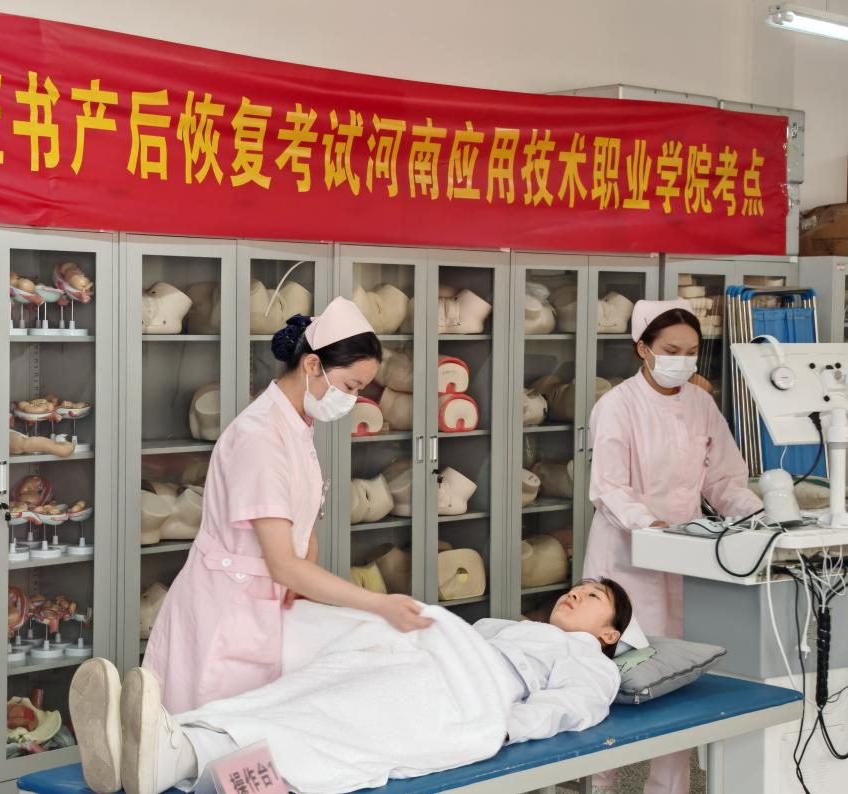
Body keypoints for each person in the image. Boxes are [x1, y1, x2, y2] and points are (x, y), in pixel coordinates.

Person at [143, 296, 432, 715]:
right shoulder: (260, 437)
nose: (352, 400)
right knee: (214, 735)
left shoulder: (296, 425)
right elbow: (281, 562)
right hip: (227, 613)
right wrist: (379, 604)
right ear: (312, 364)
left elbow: (302, 527)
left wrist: (304, 588)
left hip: (265, 606)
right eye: (351, 387)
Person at [70, 579, 632, 794]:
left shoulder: (589, 660)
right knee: (308, 689)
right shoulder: (508, 627)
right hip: (426, 656)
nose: (576, 594)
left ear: (610, 633)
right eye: (578, 587)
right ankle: (171, 738)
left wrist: (502, 727)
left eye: (593, 598)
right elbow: (451, 636)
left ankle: (180, 754)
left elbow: (570, 708)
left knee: (343, 714)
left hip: (470, 689)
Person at [583, 299, 762, 794]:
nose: (683, 361)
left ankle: (670, 787)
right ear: (643, 349)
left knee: (679, 677)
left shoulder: (701, 404)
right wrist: (651, 525)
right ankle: (601, 783)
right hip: (627, 555)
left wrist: (757, 517)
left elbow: (723, 479)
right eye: (671, 350)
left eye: (691, 351)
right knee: (619, 674)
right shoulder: (617, 405)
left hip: (687, 556)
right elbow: (609, 487)